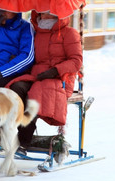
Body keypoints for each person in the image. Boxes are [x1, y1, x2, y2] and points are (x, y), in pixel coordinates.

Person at [7, 10, 83, 148]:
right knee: (15, 88)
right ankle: (8, 131)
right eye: (40, 13)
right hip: (36, 76)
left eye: (46, 13)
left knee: (37, 94)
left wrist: (55, 71)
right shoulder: (37, 33)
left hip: (60, 78)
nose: (43, 17)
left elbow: (76, 61)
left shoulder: (69, 33)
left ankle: (24, 140)